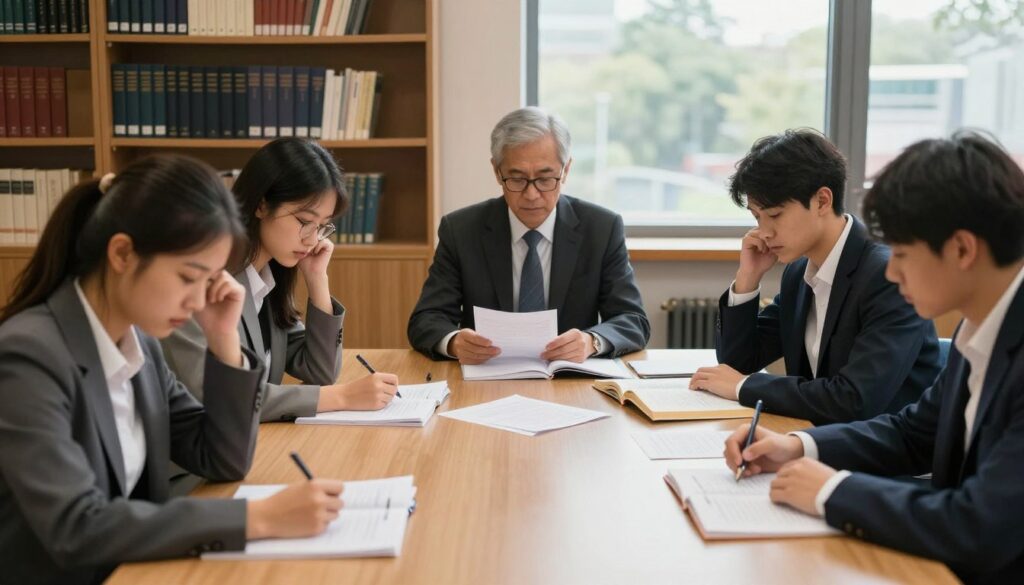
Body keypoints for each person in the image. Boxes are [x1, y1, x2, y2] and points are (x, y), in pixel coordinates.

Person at [0, 156, 346, 585]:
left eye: (208, 281)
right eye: (189, 277)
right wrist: (254, 517)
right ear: (122, 254)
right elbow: (77, 527)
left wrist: (223, 340)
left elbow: (222, 460)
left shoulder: (136, 341)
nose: (199, 299)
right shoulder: (28, 355)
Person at [724, 131, 1024, 584]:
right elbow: (911, 434)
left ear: (962, 249)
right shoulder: (978, 326)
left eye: (903, 253)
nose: (892, 268)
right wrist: (797, 447)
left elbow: (979, 526)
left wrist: (832, 490)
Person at [692, 128, 941, 425]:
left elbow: (854, 400)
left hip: (886, 460)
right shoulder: (799, 273)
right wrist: (748, 278)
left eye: (775, 215)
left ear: (822, 201)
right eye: (757, 217)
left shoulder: (887, 276)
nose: (764, 232)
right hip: (818, 442)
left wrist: (744, 387)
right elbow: (738, 364)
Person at [161, 138, 398, 423]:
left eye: (322, 227)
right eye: (303, 221)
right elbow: (219, 395)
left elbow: (319, 372)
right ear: (262, 205)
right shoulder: (204, 282)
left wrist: (317, 280)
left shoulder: (267, 280)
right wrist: (342, 397)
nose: (312, 239)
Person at [408, 107, 650, 364]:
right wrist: (454, 342)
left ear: (566, 170)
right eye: (517, 179)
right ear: (497, 171)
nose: (532, 194)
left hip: (570, 379)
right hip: (487, 377)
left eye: (546, 179)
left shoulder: (601, 229)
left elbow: (633, 320)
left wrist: (592, 341)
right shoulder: (461, 230)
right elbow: (426, 319)